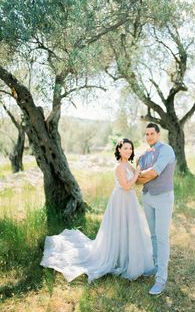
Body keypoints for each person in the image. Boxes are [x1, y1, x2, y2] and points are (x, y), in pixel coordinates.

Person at [40, 138, 155, 283]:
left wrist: (145, 156)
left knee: (131, 227)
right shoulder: (119, 167)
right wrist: (137, 172)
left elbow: (136, 179)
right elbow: (126, 186)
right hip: (121, 200)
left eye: (130, 148)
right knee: (119, 228)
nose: (128, 151)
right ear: (119, 150)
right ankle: (117, 257)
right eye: (125, 148)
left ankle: (128, 256)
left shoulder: (128, 165)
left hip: (130, 200)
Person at [137, 123, 176, 295]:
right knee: (152, 235)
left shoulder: (166, 150)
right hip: (147, 197)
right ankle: (156, 266)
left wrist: (141, 175)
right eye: (146, 134)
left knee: (161, 237)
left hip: (163, 198)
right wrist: (141, 176)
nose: (149, 137)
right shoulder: (144, 155)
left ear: (158, 135)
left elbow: (154, 173)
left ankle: (161, 279)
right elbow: (137, 180)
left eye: (152, 133)